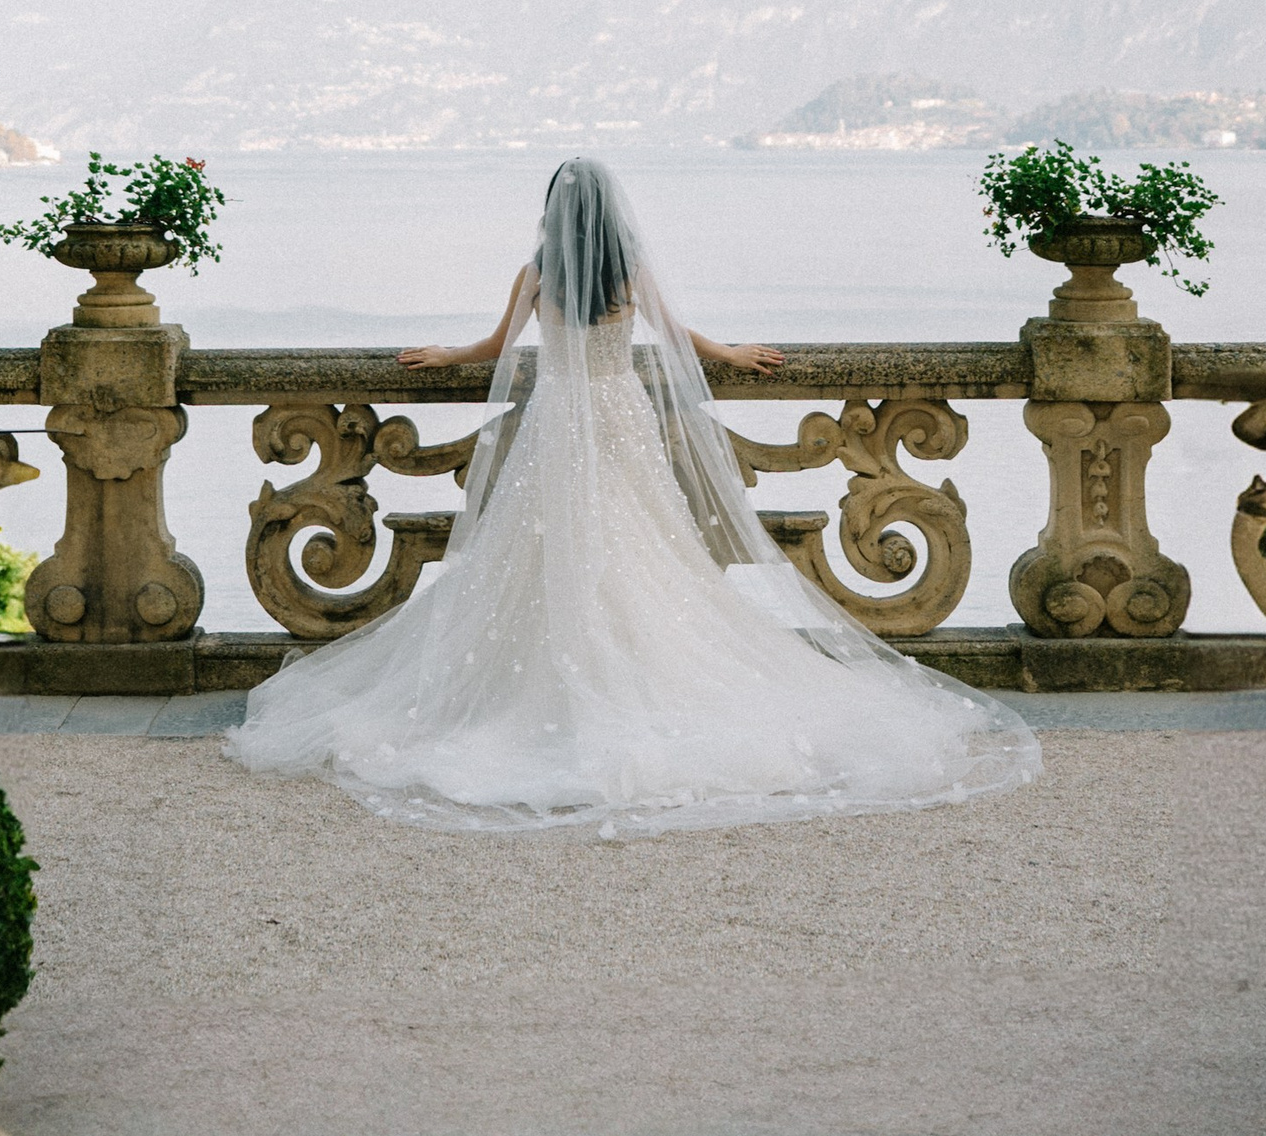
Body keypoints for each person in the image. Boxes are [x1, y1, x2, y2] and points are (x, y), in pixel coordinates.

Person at [225, 156, 1042, 836]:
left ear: (553, 212)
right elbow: (677, 333)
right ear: (612, 218)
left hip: (559, 421)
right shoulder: (628, 274)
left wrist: (440, 356)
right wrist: (737, 354)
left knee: (538, 548)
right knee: (643, 549)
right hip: (618, 416)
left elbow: (492, 349)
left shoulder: (536, 272)